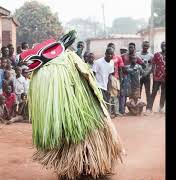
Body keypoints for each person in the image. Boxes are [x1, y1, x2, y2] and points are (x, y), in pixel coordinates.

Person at [20, 31, 122, 179]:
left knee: (88, 143)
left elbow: (89, 83)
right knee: (73, 144)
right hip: (70, 119)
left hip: (86, 116)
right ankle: (74, 169)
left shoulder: (69, 64)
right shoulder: (47, 73)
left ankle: (91, 169)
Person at [120, 43, 144, 114]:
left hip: (136, 84)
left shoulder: (138, 62)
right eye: (129, 47)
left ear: (134, 48)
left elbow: (143, 69)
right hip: (127, 82)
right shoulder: (124, 57)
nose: (131, 49)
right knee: (128, 97)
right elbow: (121, 68)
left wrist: (139, 77)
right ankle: (126, 110)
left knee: (135, 98)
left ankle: (137, 111)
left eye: (132, 47)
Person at [146, 41, 166, 113]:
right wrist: (154, 75)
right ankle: (149, 108)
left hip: (165, 77)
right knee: (154, 92)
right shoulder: (157, 54)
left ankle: (161, 107)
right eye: (162, 45)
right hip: (157, 77)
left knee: (164, 93)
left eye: (165, 45)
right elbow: (153, 65)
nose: (164, 47)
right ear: (160, 46)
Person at [107, 43, 124, 116]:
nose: (112, 48)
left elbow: (120, 69)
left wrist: (120, 79)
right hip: (108, 78)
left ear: (114, 48)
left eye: (113, 47)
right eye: (110, 47)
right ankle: (110, 112)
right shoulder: (107, 58)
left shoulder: (118, 57)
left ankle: (116, 112)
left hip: (116, 78)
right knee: (109, 96)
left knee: (116, 95)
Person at [136, 41, 153, 107]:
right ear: (142, 45)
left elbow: (152, 67)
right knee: (138, 92)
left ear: (148, 47)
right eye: (144, 45)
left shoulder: (151, 56)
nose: (145, 47)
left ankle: (148, 107)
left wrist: (146, 74)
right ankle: (137, 107)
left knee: (147, 92)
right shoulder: (137, 54)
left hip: (147, 76)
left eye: (147, 46)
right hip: (138, 76)